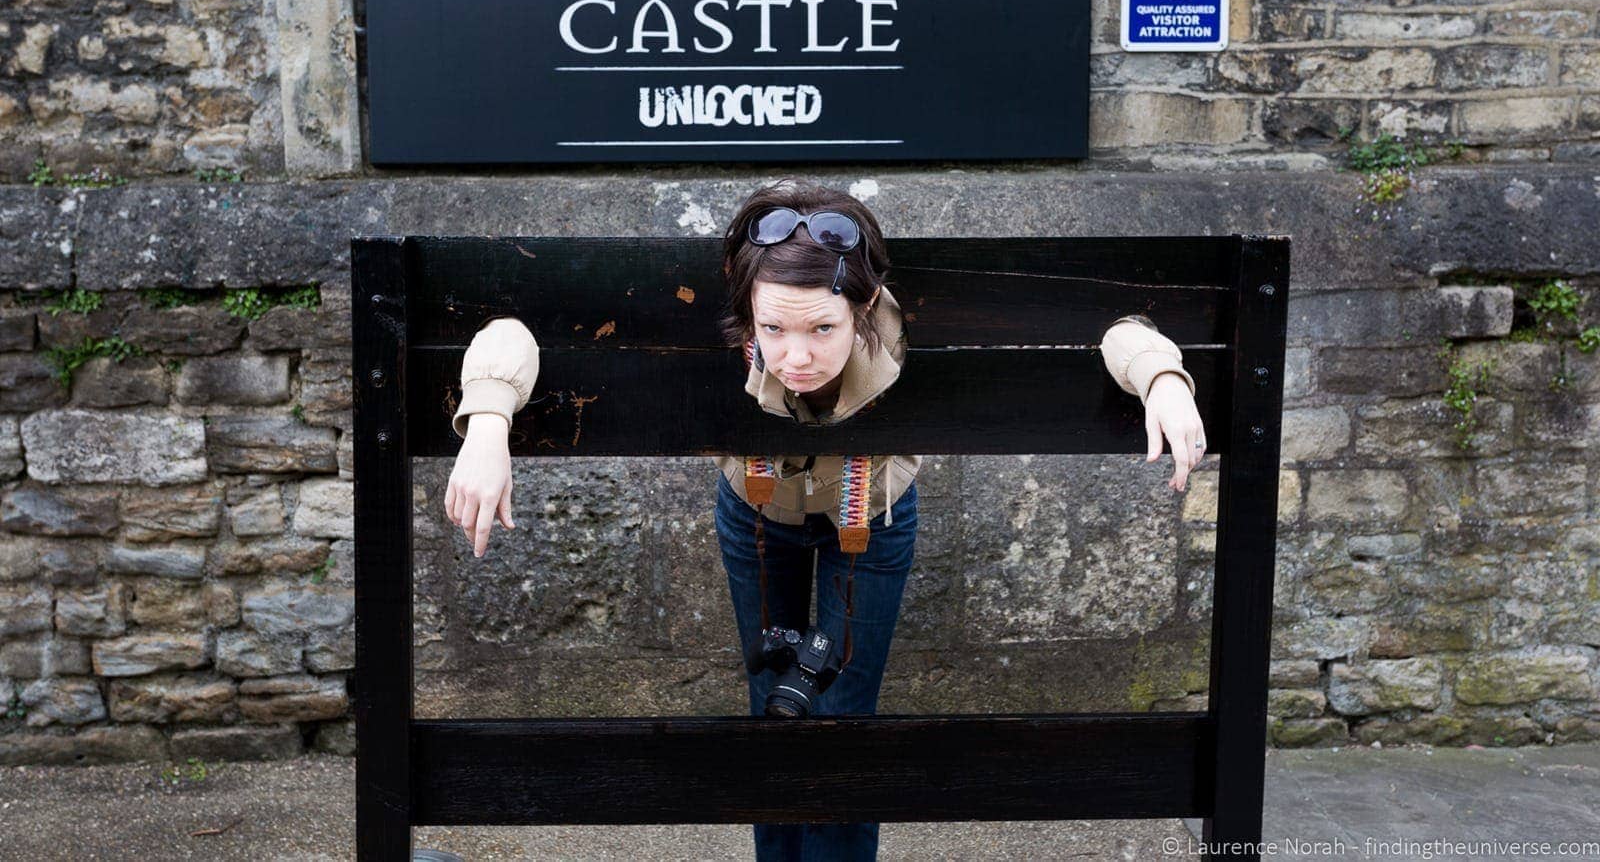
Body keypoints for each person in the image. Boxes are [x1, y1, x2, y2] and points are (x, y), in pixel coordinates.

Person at [443, 178, 1207, 862]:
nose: (795, 357)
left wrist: (1163, 375)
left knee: (844, 713)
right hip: (755, 510)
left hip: (867, 515)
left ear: (864, 309)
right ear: (747, 313)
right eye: (771, 330)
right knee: (773, 702)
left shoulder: (900, 322)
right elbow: (511, 323)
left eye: (822, 331)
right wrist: (484, 421)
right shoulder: (737, 327)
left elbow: (1116, 323)